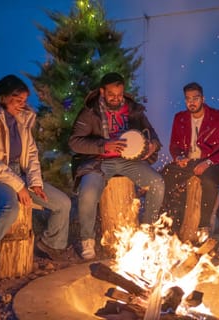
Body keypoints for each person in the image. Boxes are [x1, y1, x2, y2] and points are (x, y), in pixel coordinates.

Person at [0, 74, 72, 262]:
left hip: (17, 175)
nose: (22, 104)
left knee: (62, 203)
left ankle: (50, 244)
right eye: (18, 100)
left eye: (24, 100)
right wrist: (19, 186)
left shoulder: (22, 121)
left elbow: (32, 155)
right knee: (10, 208)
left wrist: (35, 183)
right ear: (3, 97)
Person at [69, 72, 165, 260]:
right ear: (102, 92)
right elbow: (74, 142)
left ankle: (146, 234)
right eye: (111, 94)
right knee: (88, 193)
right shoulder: (91, 112)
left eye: (119, 94)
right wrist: (103, 145)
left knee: (157, 183)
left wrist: (152, 144)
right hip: (99, 162)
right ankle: (87, 240)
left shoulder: (133, 110)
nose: (116, 98)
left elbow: (153, 136)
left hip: (129, 161)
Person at [161, 82, 219, 235]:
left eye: (195, 98)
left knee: (208, 181)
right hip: (189, 162)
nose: (192, 102)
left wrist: (208, 162)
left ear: (203, 98)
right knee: (167, 173)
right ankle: (166, 221)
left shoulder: (218, 117)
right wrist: (179, 157)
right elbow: (174, 145)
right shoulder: (180, 118)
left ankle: (203, 226)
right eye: (188, 99)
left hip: (215, 162)